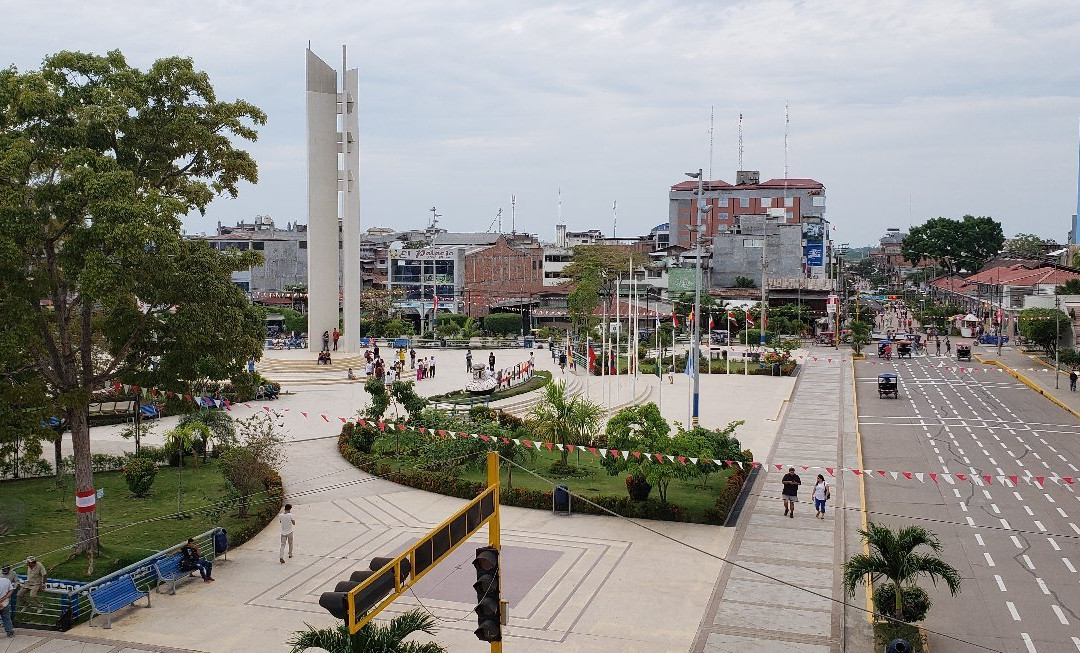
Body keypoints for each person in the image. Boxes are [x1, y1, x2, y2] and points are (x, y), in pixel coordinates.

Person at [0, 566, 15, 637]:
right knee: (6, 618)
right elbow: (11, 590)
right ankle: (9, 633)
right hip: (5, 604)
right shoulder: (6, 581)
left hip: (3, 603)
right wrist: (4, 598)